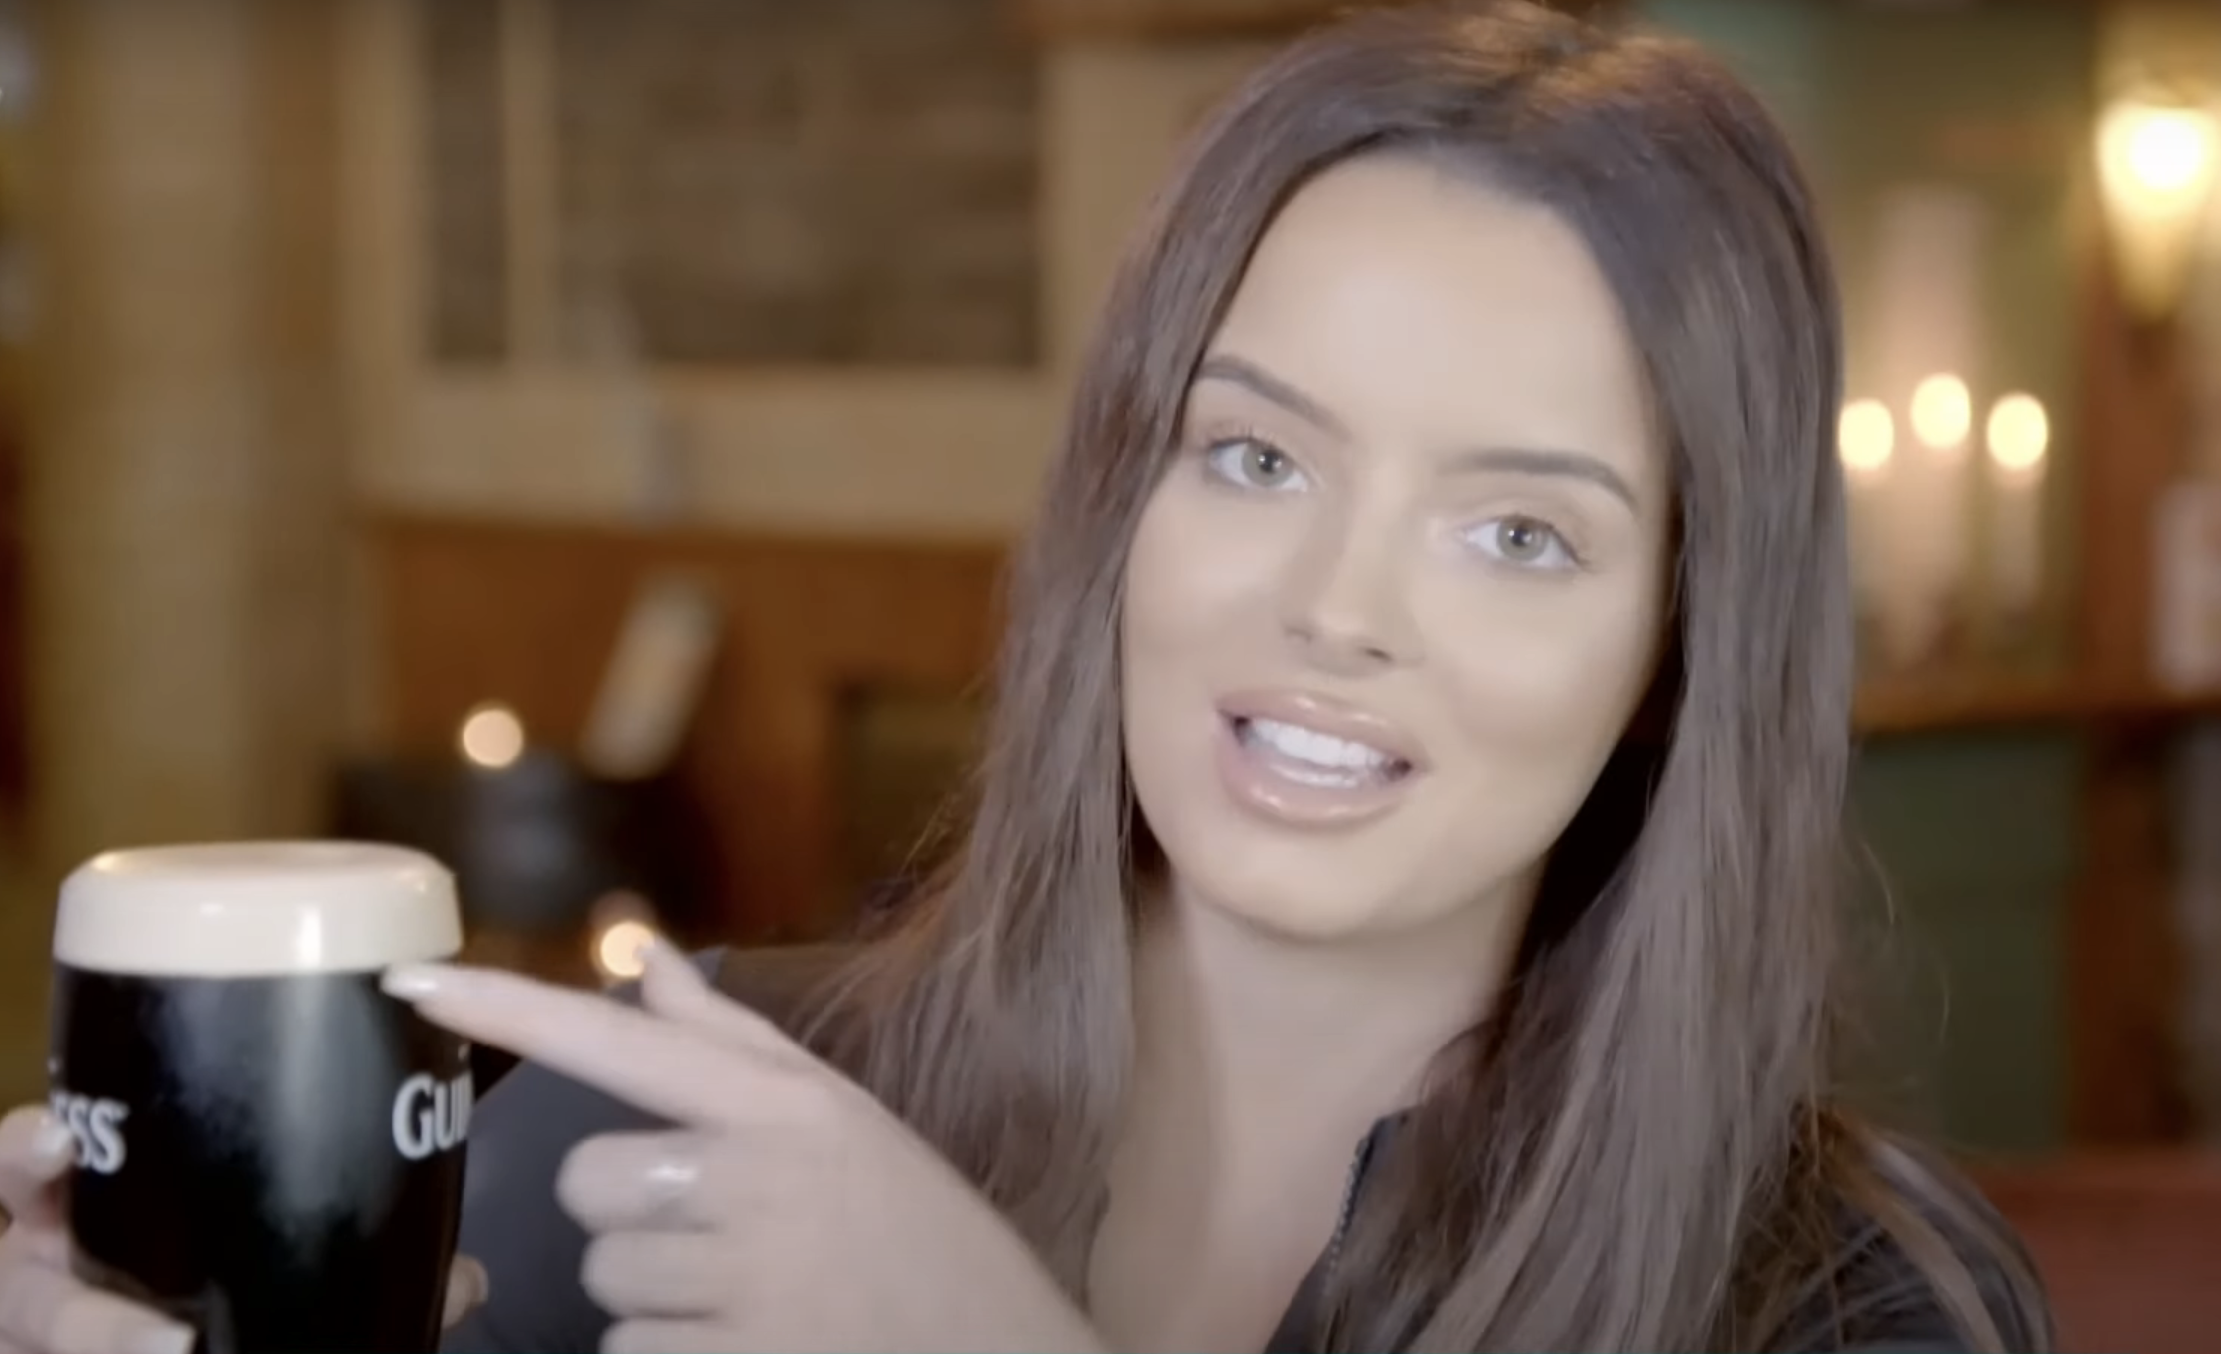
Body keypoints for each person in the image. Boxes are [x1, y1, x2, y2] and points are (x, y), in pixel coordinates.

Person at [0, 2, 2056, 1350]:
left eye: (1518, 531)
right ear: (1119, 505)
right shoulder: (678, 1129)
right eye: (1253, 454)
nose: (1337, 606)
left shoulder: (1857, 1305)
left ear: (1677, 642)